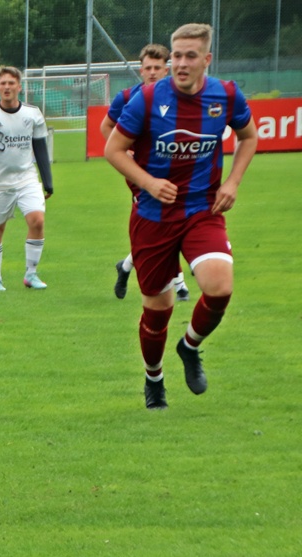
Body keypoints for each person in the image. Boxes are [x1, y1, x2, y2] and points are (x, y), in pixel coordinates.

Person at [105, 23, 257, 409]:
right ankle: (153, 379)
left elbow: (249, 136)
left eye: (191, 56)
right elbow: (113, 149)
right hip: (153, 216)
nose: (181, 63)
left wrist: (233, 183)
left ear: (207, 59)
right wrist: (149, 183)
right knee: (158, 309)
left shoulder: (226, 95)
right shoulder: (148, 98)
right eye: (177, 55)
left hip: (203, 209)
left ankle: (190, 347)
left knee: (219, 287)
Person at [102, 44, 191, 303]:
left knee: (164, 222)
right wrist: (125, 152)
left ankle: (126, 266)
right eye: (147, 68)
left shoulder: (181, 97)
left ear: (167, 68)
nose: (152, 72)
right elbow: (106, 126)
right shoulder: (129, 97)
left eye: (157, 68)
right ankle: (181, 284)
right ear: (141, 70)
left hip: (175, 169)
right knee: (162, 220)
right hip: (141, 174)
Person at [0, 65, 53, 292]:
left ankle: (31, 274)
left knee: (37, 220)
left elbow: (40, 149)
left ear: (19, 86)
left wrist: (47, 181)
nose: (7, 87)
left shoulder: (32, 113)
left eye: (11, 83)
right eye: (3, 83)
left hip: (26, 178)